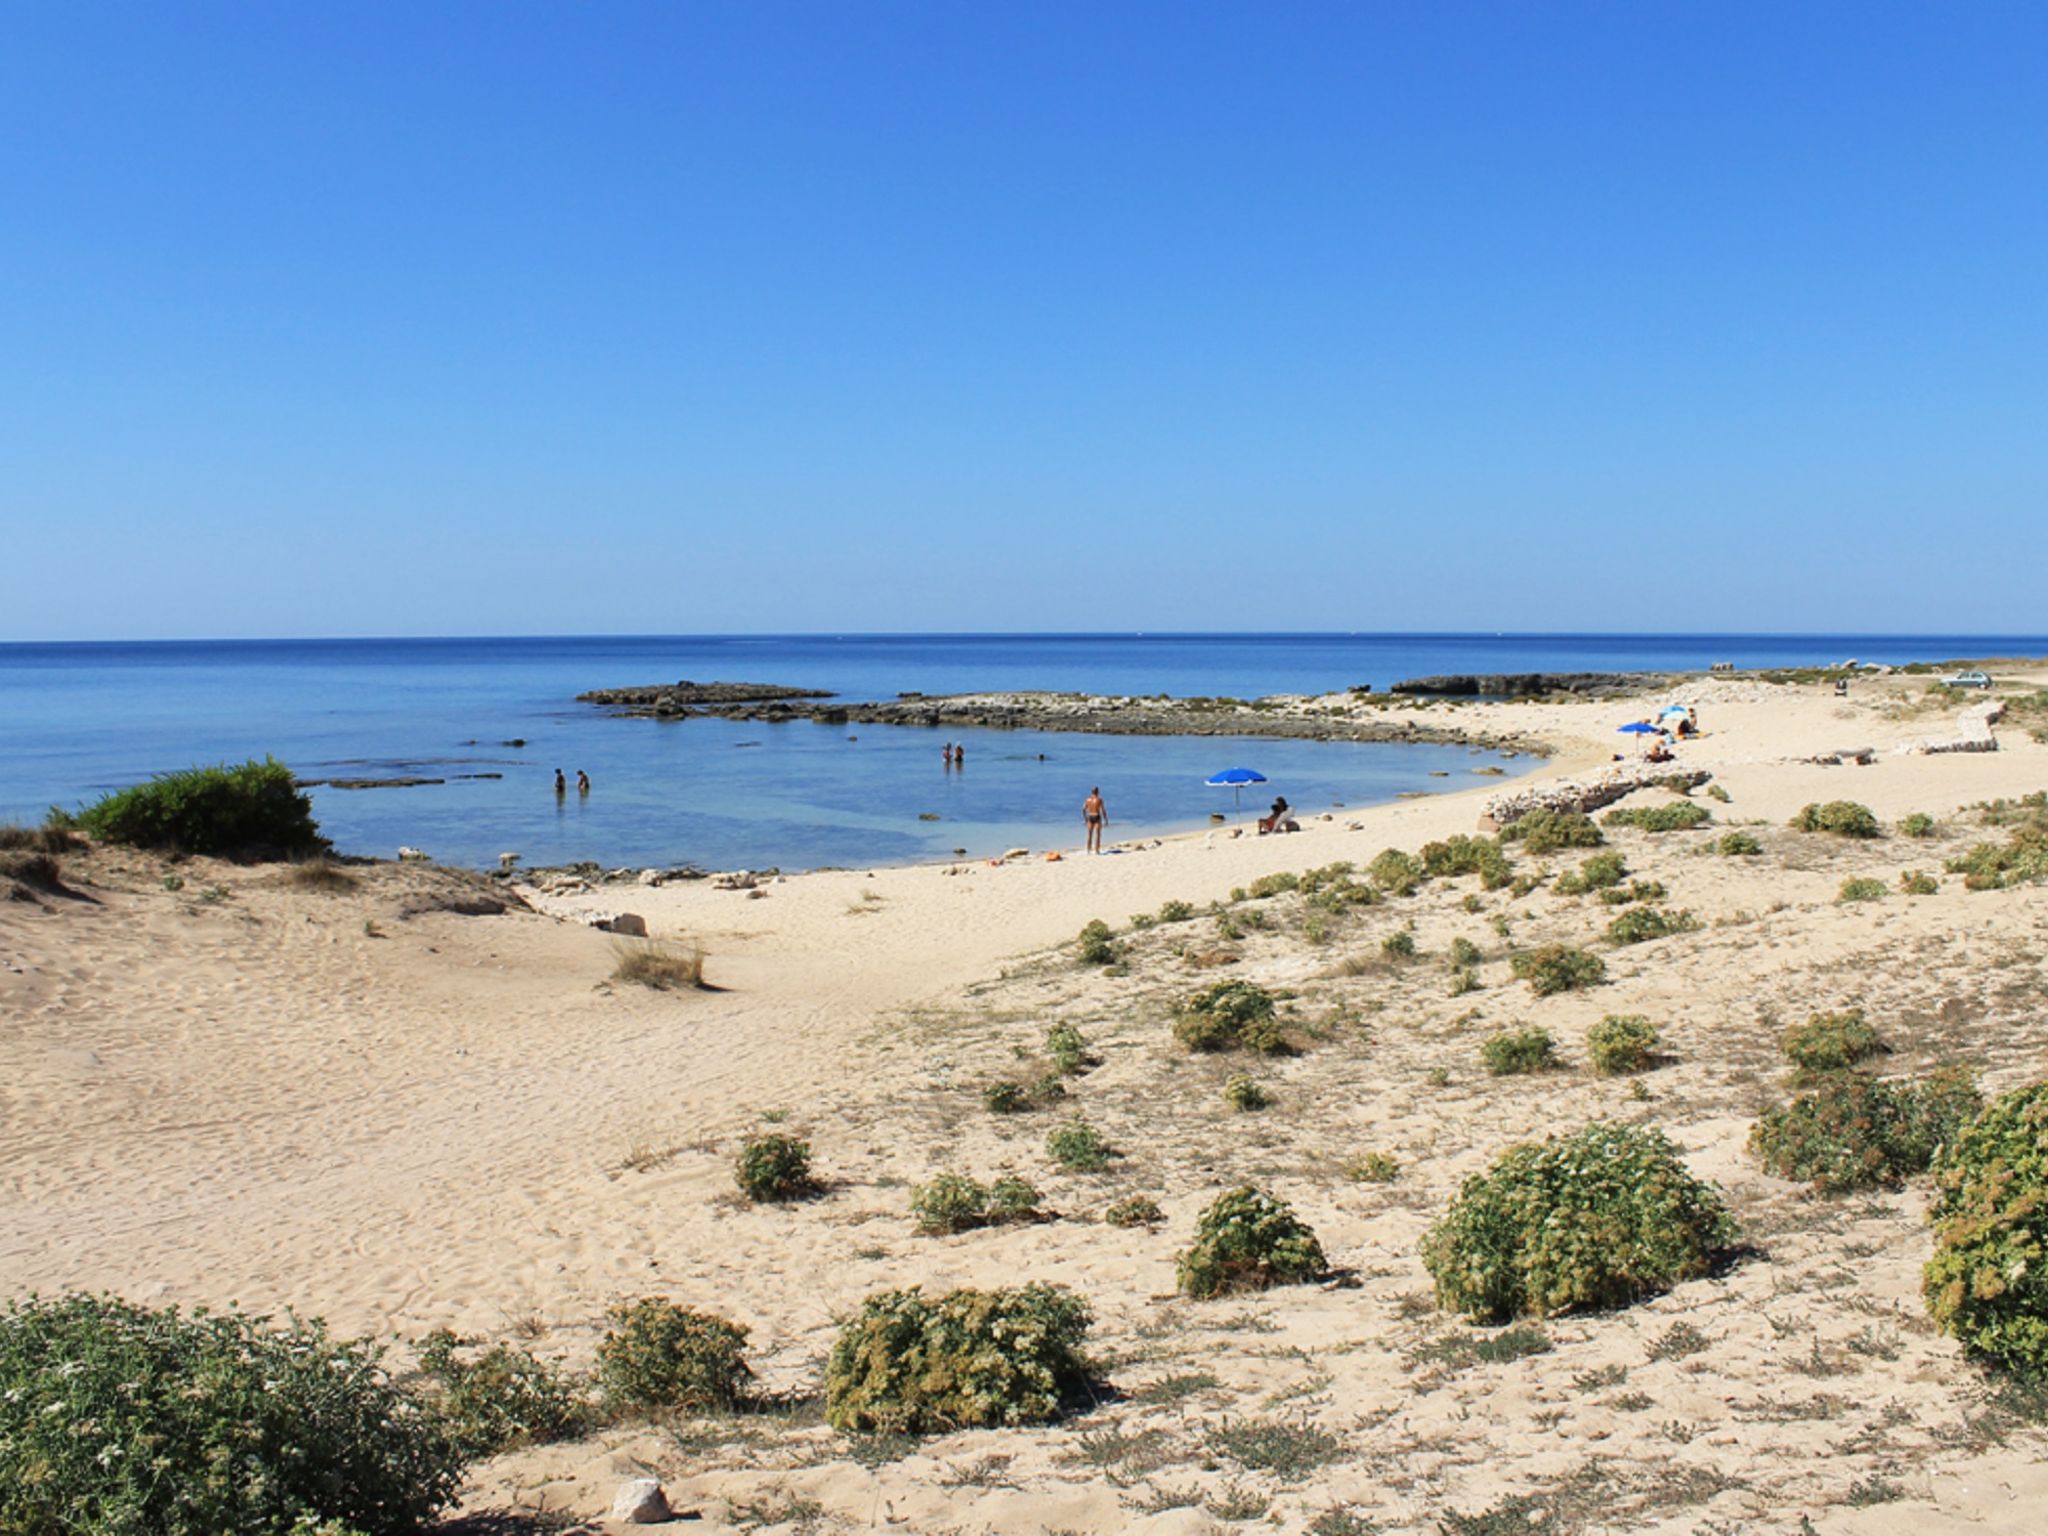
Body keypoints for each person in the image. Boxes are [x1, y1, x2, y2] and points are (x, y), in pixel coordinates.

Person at [1083, 786, 1108, 853]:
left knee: (1089, 834)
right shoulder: (1099, 800)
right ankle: (1097, 850)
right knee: (1098, 834)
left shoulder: (1087, 800)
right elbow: (1103, 810)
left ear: (1092, 792)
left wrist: (1085, 819)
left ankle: (1088, 849)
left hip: (1090, 816)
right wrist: (1106, 820)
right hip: (1097, 816)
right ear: (1098, 792)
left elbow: (1083, 809)